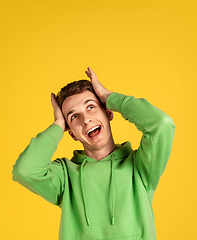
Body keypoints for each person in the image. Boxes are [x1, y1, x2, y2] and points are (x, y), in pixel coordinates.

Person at [12, 67, 176, 240]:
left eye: (91, 107)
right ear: (72, 133)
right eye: (74, 116)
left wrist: (110, 97)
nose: (86, 120)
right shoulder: (65, 176)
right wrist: (58, 125)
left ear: (108, 112)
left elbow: (162, 124)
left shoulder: (140, 167)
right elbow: (24, 170)